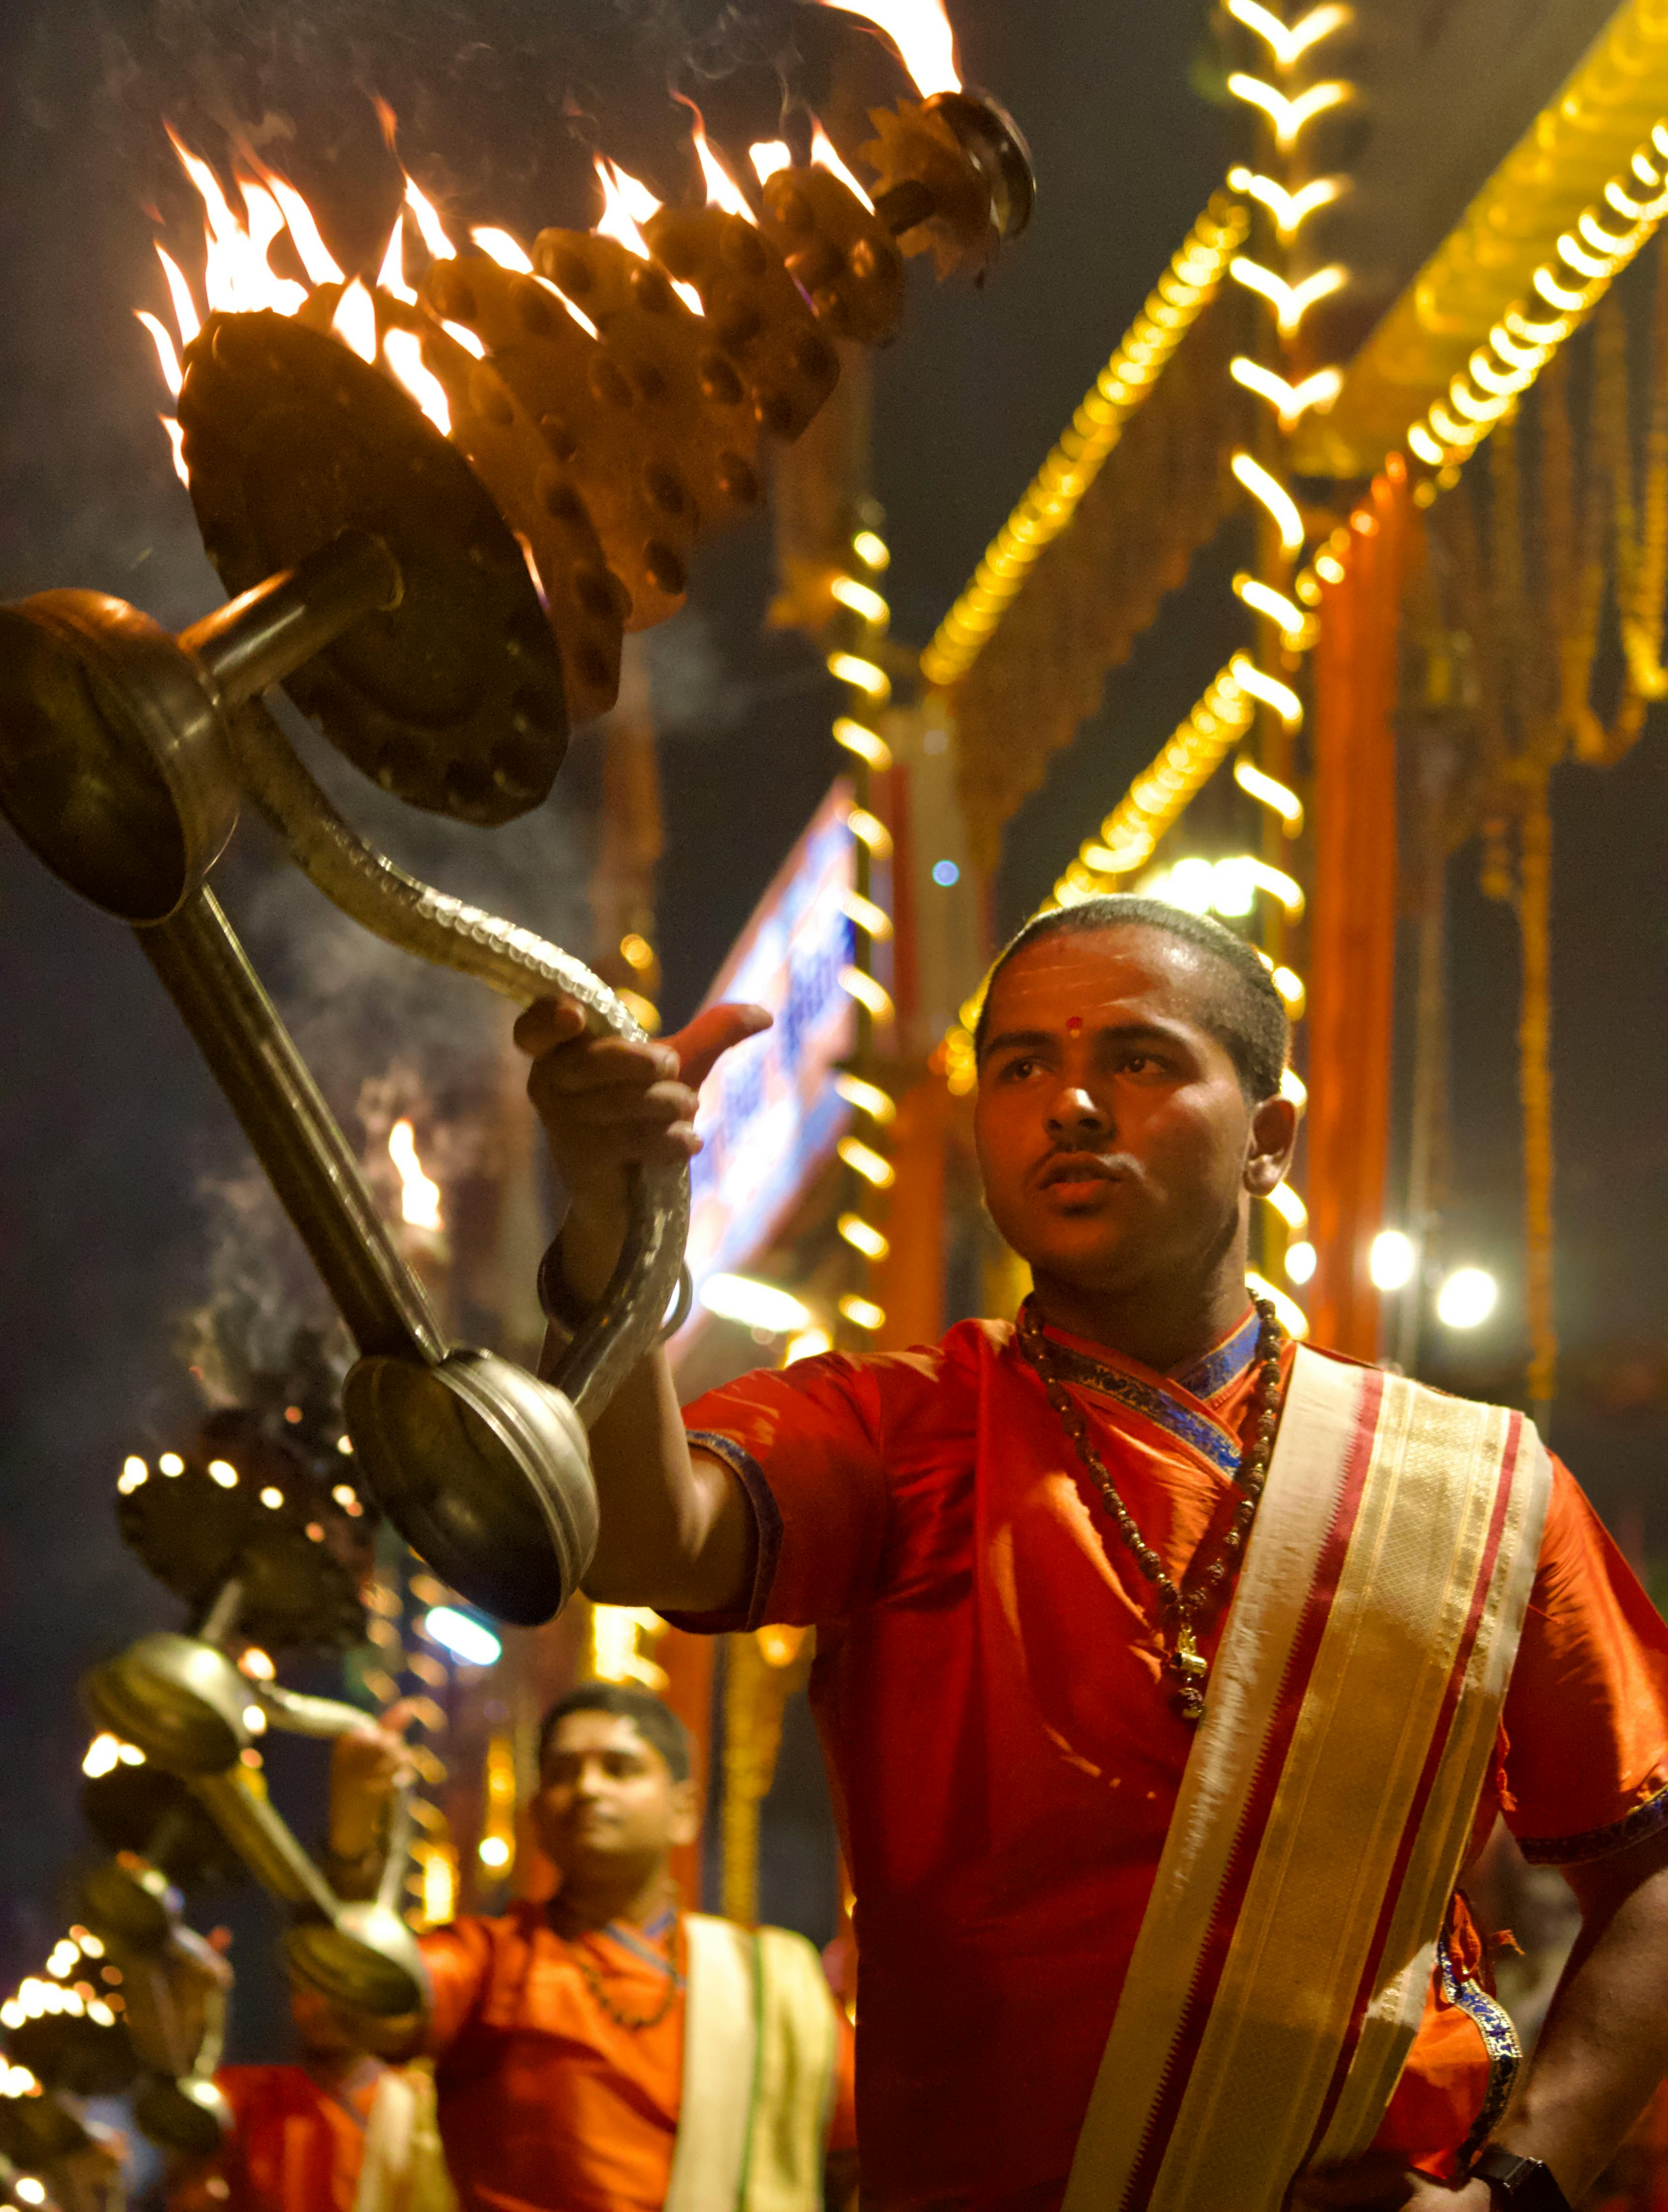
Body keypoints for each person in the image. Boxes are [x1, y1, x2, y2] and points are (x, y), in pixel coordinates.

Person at [516, 893, 1668, 2212]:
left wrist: (1522, 2189)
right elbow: (646, 1543)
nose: (1070, 1103)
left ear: (1268, 1141)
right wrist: (612, 1220)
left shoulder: (1479, 1487)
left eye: (1140, 1058)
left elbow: (1652, 1875)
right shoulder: (896, 1430)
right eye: (1022, 1067)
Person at [325, 1683, 856, 2212]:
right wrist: (353, 1828)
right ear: (537, 1815)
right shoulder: (490, 1958)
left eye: (620, 1769)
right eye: (563, 1773)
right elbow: (368, 1994)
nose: (588, 1788)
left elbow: (864, 2144)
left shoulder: (770, 1982)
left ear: (685, 1810)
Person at [167, 1979, 452, 2212]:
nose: (318, 2006)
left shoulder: (416, 2103)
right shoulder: (249, 2093)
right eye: (307, 1988)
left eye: (334, 1988)